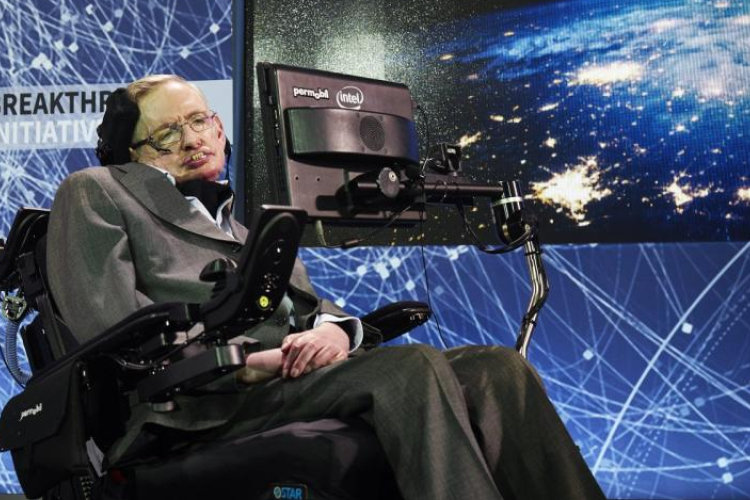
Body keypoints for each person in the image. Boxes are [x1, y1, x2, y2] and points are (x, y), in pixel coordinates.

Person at [46, 74, 606, 500]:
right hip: (199, 400)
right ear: (132, 154)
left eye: (199, 121)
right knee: (408, 368)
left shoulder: (246, 230)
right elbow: (113, 334)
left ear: (218, 127)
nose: (192, 139)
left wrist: (338, 333)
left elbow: (317, 308)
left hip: (290, 380)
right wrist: (252, 361)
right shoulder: (97, 190)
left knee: (497, 368)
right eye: (168, 133)